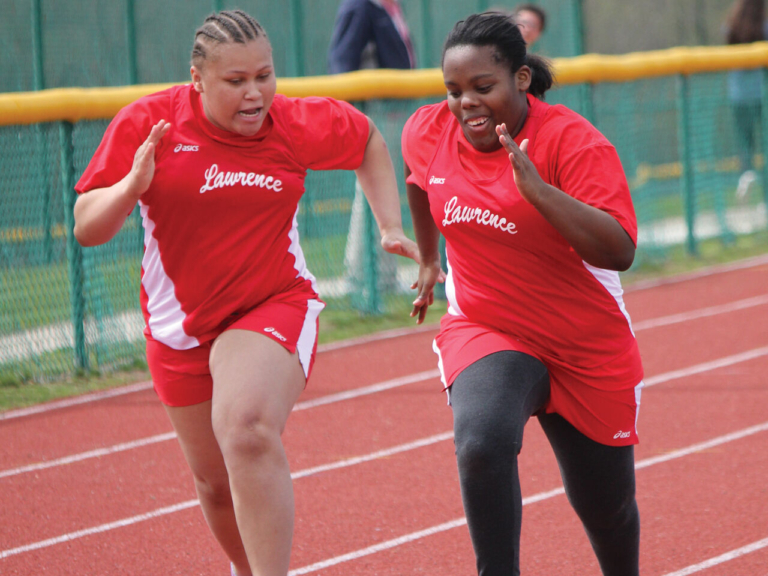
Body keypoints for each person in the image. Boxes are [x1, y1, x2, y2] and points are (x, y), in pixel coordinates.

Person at [73, 10, 418, 576]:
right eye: (236, 82)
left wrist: (389, 226)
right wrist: (130, 186)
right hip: (179, 324)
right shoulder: (150, 123)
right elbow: (88, 226)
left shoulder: (294, 122)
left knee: (247, 429)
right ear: (198, 79)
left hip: (271, 301)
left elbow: (367, 142)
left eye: (264, 75)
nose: (255, 94)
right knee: (213, 485)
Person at [402, 12, 643, 576]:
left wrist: (539, 192)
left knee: (605, 508)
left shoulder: (573, 142)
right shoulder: (428, 130)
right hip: (491, 327)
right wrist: (430, 257)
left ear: (521, 80)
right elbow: (419, 180)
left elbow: (619, 250)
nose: (466, 103)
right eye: (454, 90)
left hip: (583, 344)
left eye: (483, 87)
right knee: (482, 442)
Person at [328, 0, 417, 304]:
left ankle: (384, 277)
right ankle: (363, 279)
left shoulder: (390, 6)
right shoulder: (360, 6)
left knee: (383, 190)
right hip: (374, 109)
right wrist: (354, 115)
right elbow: (342, 60)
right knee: (371, 189)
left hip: (393, 107)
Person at [724, 0, 767, 199]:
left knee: (745, 144)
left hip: (738, 96)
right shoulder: (763, 28)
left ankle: (746, 175)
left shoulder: (731, 26)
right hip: (760, 95)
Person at [327, 0, 416, 73]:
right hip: (375, 92)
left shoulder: (392, 5)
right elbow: (343, 63)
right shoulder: (360, 6)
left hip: (398, 90)